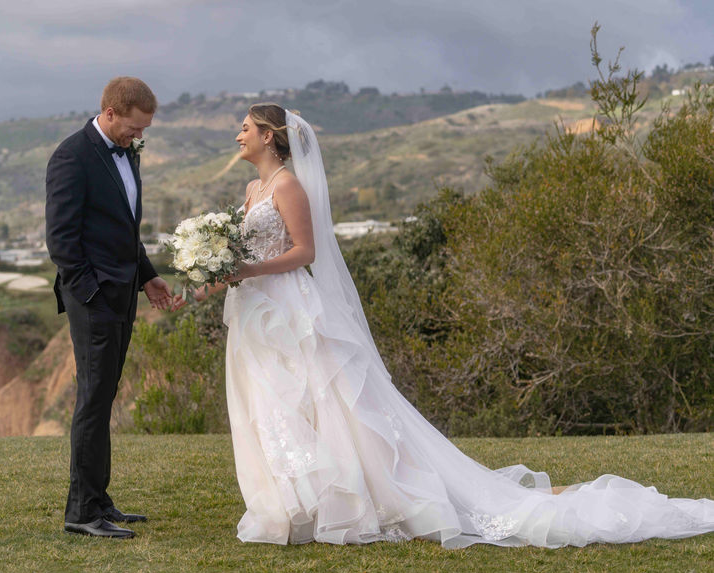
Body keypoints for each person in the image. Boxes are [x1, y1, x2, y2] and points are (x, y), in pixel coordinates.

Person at [193, 103, 714, 547]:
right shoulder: (252, 187)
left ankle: (348, 500)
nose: (238, 135)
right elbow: (243, 253)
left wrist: (250, 271)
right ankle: (288, 505)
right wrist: (209, 277)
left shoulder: (288, 186)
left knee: (323, 401)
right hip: (256, 309)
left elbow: (304, 251)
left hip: (291, 308)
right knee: (271, 404)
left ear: (269, 136)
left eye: (245, 127)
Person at [46, 76, 175, 539]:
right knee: (93, 399)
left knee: (104, 398)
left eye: (144, 131)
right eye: (133, 128)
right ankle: (82, 512)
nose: (138, 137)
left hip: (123, 293)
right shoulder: (71, 156)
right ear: (110, 113)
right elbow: (61, 240)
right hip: (94, 299)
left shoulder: (127, 152)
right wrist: (91, 295)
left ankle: (99, 500)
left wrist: (148, 275)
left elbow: (125, 230)